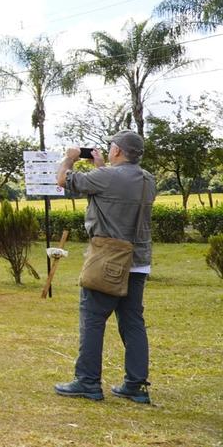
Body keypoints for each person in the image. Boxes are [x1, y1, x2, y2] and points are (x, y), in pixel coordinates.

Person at [53, 130, 155, 404]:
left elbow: (63, 179)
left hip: (109, 258)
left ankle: (87, 382)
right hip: (139, 260)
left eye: (111, 146)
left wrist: (70, 158)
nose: (108, 149)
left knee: (93, 318)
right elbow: (117, 191)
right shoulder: (148, 179)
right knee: (132, 322)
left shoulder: (108, 177)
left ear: (118, 151)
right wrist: (100, 167)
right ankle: (135, 385)